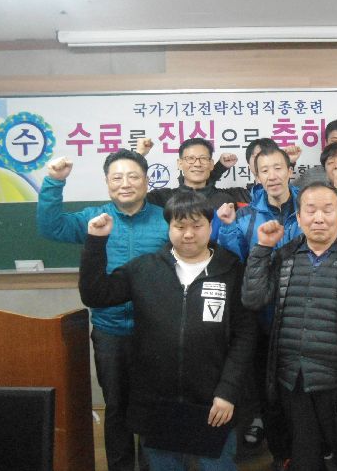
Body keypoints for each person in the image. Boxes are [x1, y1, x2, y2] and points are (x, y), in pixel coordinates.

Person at [79, 191, 256, 470]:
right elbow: (95, 294)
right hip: (158, 404)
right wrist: (96, 242)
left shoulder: (232, 270)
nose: (189, 234)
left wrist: (228, 392)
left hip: (213, 403)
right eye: (180, 226)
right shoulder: (145, 269)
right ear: (168, 227)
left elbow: (245, 336)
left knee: (216, 465)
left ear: (210, 226)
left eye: (197, 225)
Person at [242, 182, 337, 471]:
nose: (319, 218)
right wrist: (262, 248)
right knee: (304, 458)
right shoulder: (284, 256)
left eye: (327, 210)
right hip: (293, 380)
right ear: (299, 218)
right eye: (310, 211)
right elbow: (253, 298)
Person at [37, 149, 169, 471]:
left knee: (155, 407)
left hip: (156, 332)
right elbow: (50, 227)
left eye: (133, 176)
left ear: (146, 181)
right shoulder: (94, 218)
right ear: (107, 182)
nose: (125, 183)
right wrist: (54, 182)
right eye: (117, 177)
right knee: (117, 406)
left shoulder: (166, 219)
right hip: (110, 332)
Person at [217, 146, 303, 470]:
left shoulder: (309, 206)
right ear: (256, 176)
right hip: (264, 320)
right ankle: (282, 456)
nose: (272, 176)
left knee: (304, 393)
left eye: (278, 168)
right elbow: (234, 265)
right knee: (271, 396)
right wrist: (227, 228)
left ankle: (309, 453)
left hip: (305, 317)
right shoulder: (245, 217)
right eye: (264, 170)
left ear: (290, 170)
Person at [138, 137, 251, 208]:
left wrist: (220, 168)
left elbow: (260, 192)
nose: (197, 164)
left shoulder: (225, 199)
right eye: (190, 158)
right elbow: (133, 201)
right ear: (180, 163)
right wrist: (139, 155)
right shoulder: (163, 198)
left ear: (211, 164)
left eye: (203, 158)